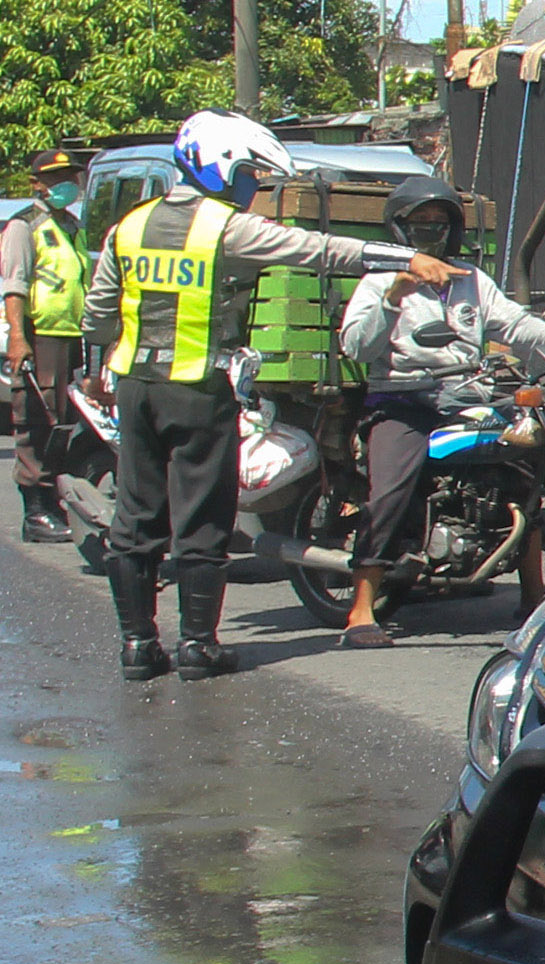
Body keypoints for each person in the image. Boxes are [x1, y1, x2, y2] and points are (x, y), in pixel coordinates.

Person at [78, 112, 453, 681]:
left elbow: (98, 313)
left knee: (136, 515)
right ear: (221, 167)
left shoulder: (128, 227)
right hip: (198, 391)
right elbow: (316, 249)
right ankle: (198, 646)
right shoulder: (224, 229)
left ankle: (137, 645)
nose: (254, 186)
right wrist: (406, 259)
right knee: (203, 517)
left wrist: (98, 368)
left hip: (136, 388)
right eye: (250, 173)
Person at [335, 172, 545, 644]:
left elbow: (517, 325)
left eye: (439, 221)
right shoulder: (380, 279)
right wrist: (394, 298)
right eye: (420, 221)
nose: (431, 229)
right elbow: (356, 348)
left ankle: (532, 597)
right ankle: (361, 611)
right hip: (404, 400)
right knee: (390, 489)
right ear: (400, 227)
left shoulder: (472, 280)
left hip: (467, 396)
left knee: (527, 466)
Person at [6, 150, 87, 542]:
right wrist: (17, 338)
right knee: (37, 421)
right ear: (36, 184)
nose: (63, 185)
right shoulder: (26, 226)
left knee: (64, 422)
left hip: (70, 334)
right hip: (41, 335)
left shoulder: (71, 224)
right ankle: (35, 512)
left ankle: (56, 503)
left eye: (68, 177)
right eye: (53, 180)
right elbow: (15, 286)